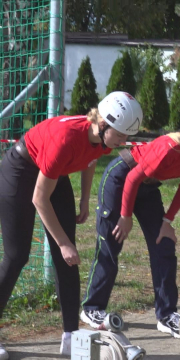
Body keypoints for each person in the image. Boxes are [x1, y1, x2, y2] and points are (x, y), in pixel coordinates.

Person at [0, 92, 141, 357]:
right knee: (17, 256)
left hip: (56, 172)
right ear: (103, 125)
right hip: (20, 171)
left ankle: (71, 338)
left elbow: (91, 158)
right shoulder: (65, 140)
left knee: (68, 259)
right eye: (121, 135)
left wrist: (85, 198)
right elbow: (39, 199)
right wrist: (62, 242)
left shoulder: (103, 137)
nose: (125, 142)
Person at [80, 112, 180, 338]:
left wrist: (167, 221)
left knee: (164, 245)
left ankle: (166, 315)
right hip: (121, 179)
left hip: (147, 187)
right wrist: (125, 217)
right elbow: (133, 178)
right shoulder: (170, 148)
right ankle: (92, 308)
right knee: (111, 243)